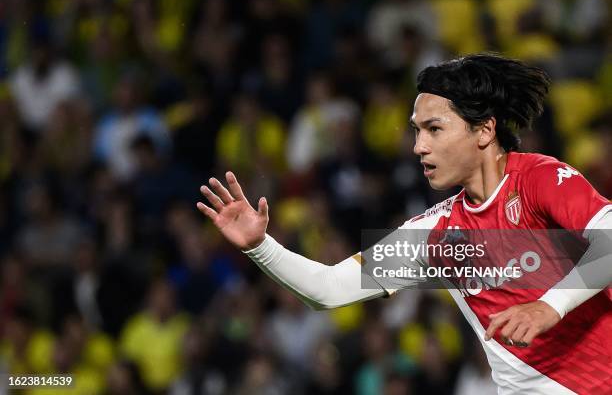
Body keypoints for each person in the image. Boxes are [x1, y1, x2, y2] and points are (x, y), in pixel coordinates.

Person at [196, 54, 612, 394]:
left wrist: (548, 306)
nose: (418, 146)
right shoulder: (435, 233)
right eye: (416, 132)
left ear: (484, 130)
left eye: (434, 129)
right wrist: (260, 245)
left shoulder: (538, 178)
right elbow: (327, 289)